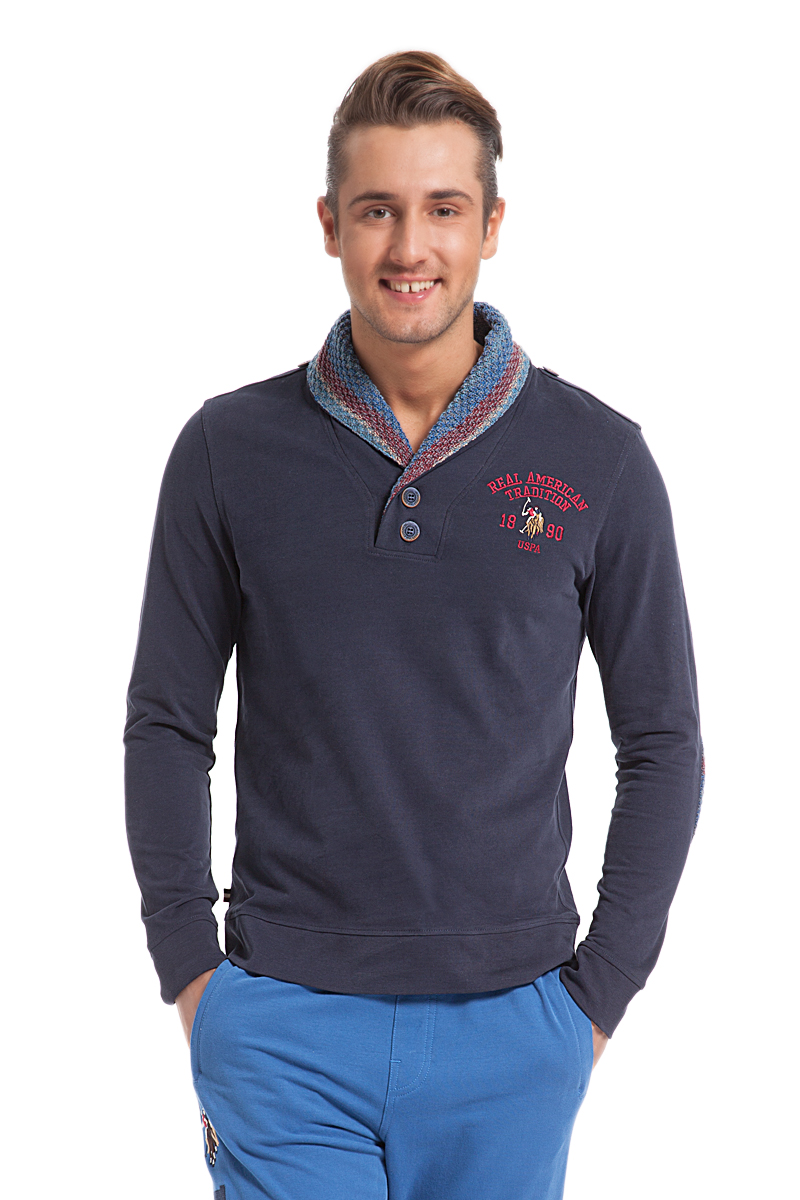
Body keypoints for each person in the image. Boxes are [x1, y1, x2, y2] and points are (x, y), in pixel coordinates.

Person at [123, 50, 704, 1200]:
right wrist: (192, 973)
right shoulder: (227, 451)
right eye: (378, 209)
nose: (409, 247)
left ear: (490, 226)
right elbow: (166, 724)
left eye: (442, 209)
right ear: (329, 225)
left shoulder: (598, 460)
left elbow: (662, 743)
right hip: (283, 1026)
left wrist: (592, 1002)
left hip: (515, 1030)